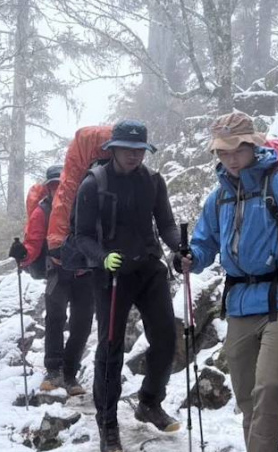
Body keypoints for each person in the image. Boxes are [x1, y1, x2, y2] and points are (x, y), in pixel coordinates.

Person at [175, 112, 278, 452]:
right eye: (223, 152)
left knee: (268, 389)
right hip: (239, 303)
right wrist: (188, 258)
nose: (231, 159)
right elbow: (204, 245)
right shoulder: (218, 197)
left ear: (253, 145)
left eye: (237, 150)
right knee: (249, 398)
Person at [71, 120, 181, 452]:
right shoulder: (94, 184)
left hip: (148, 268)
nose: (134, 156)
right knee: (111, 347)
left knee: (166, 337)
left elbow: (166, 224)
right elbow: (81, 236)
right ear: (113, 149)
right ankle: (107, 422)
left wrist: (180, 246)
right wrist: (102, 257)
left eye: (140, 150)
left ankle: (149, 401)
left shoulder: (153, 181)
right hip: (112, 275)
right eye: (128, 149)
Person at [11, 165, 96, 396]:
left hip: (85, 272)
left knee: (82, 324)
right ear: (48, 188)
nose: (58, 190)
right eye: (53, 186)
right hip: (57, 271)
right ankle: (54, 370)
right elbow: (33, 242)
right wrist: (23, 254)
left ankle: (69, 372)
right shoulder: (42, 212)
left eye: (62, 185)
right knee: (56, 319)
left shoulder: (87, 204)